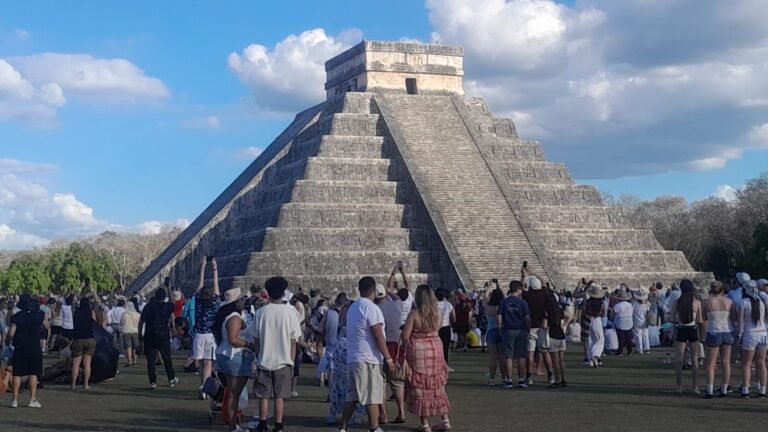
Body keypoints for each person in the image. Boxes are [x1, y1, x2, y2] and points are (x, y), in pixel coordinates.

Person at [338, 277, 394, 432]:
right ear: (374, 290)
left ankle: (343, 427)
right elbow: (377, 334)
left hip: (354, 357)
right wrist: (388, 358)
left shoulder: (354, 307)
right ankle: (374, 427)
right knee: (372, 395)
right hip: (368, 357)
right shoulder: (371, 308)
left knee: (352, 396)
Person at [248, 277, 302, 432]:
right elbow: (293, 341)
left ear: (268, 292)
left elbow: (256, 340)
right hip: (283, 360)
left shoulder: (261, 312)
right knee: (280, 396)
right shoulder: (290, 313)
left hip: (264, 359)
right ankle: (278, 425)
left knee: (263, 395)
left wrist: (258, 356)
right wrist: (291, 361)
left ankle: (263, 424)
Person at [401, 285, 451, 432]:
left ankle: (425, 424)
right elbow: (438, 329)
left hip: (418, 350)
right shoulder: (438, 313)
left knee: (420, 386)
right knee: (438, 385)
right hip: (436, 347)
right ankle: (445, 420)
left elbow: (405, 336)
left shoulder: (414, 314)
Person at [213, 288, 253, 432]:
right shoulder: (235, 317)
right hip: (234, 355)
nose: (244, 302)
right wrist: (250, 345)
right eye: (242, 299)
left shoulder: (225, 316)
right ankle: (232, 426)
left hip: (224, 354)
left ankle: (233, 425)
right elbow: (233, 340)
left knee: (231, 393)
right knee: (234, 394)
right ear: (236, 302)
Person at [6, 295, 48, 408]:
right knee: (33, 373)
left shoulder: (16, 317)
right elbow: (47, 326)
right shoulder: (39, 315)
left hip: (20, 347)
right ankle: (32, 399)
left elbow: (11, 333)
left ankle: (14, 400)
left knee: (17, 374)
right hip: (34, 347)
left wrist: (7, 342)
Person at [192, 257, 221, 397]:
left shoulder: (198, 300)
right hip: (210, 335)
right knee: (209, 363)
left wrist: (203, 266)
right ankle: (205, 388)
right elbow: (216, 283)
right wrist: (214, 267)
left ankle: (202, 385)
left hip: (198, 334)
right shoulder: (215, 301)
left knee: (201, 363)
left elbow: (200, 283)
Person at [378, 283, 407, 424]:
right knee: (397, 382)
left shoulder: (376, 309)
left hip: (382, 347)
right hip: (397, 346)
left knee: (381, 382)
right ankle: (401, 412)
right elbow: (397, 298)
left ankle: (383, 415)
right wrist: (389, 291)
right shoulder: (397, 305)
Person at [138, 287, 178, 390]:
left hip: (150, 336)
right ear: (164, 297)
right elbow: (173, 302)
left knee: (151, 361)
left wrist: (140, 334)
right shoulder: (167, 306)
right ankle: (171, 379)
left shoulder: (148, 307)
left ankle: (153, 382)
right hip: (163, 336)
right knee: (167, 359)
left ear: (155, 297)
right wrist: (169, 287)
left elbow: (141, 322)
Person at [703, 281, 736, 398]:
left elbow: (703, 317)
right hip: (727, 331)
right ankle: (724, 389)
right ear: (722, 290)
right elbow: (733, 317)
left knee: (711, 363)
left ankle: (710, 389)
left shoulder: (707, 301)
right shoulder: (729, 302)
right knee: (726, 362)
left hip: (714, 331)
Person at [671, 279, 703, 395]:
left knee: (679, 360)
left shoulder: (677, 302)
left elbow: (671, 318)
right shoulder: (697, 302)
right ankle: (695, 387)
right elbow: (699, 320)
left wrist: (679, 320)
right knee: (694, 360)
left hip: (681, 329)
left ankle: (679, 387)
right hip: (692, 329)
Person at [737, 281, 767, 398]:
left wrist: (739, 335)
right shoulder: (761, 302)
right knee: (761, 363)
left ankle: (745, 390)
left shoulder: (743, 303)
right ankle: (762, 390)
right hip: (763, 334)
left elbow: (741, 322)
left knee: (746, 364)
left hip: (750, 335)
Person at [498, 280, 531, 389]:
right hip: (521, 330)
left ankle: (509, 380)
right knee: (521, 356)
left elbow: (499, 317)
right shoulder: (523, 303)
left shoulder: (504, 302)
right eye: (521, 289)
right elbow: (527, 317)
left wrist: (500, 328)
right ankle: (521, 379)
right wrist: (528, 328)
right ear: (517, 289)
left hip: (508, 329)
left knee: (509, 356)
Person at [522, 275, 553, 384]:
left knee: (530, 353)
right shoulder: (544, 294)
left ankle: (529, 376)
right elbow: (545, 283)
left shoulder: (527, 295)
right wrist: (535, 273)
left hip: (531, 326)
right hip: (542, 326)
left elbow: (520, 288)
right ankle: (550, 375)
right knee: (545, 352)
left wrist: (523, 275)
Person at [71, 295, 97, 390]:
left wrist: (79, 290)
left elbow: (73, 302)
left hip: (78, 338)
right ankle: (85, 384)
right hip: (89, 338)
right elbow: (98, 303)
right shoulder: (91, 312)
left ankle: (73, 384)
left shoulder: (76, 312)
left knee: (76, 363)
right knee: (87, 363)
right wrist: (93, 291)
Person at [483, 288, 504, 386]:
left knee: (492, 357)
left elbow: (485, 297)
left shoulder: (488, 306)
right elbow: (506, 297)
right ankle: (504, 378)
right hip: (501, 331)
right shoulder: (502, 306)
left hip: (491, 331)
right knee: (502, 357)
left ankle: (492, 379)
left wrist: (489, 287)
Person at [581, 285, 606, 367]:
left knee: (590, 340)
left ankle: (590, 359)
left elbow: (584, 310)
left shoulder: (588, 302)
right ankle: (595, 355)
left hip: (588, 320)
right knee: (600, 339)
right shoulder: (601, 303)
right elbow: (603, 314)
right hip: (597, 319)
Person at [547, 290, 567, 388]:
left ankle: (558, 379)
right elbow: (570, 316)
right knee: (561, 360)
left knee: (555, 360)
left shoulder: (547, 311)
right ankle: (563, 379)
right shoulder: (559, 310)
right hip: (561, 335)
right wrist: (564, 324)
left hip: (552, 335)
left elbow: (544, 324)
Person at [435, 289, 455, 370]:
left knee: (435, 347)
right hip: (446, 327)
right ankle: (445, 365)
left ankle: (436, 365)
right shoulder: (448, 305)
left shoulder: (433, 305)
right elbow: (454, 317)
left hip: (435, 328)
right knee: (445, 348)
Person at [613, 290, 634, 355]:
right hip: (629, 321)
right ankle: (629, 351)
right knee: (629, 338)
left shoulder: (617, 305)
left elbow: (614, 313)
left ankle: (620, 351)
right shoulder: (630, 305)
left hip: (620, 322)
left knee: (621, 338)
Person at [121, 301, 141, 367]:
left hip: (126, 331)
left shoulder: (124, 314)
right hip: (135, 331)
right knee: (135, 346)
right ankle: (135, 361)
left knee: (128, 347)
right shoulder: (137, 314)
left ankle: (129, 361)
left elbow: (121, 323)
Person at [632, 289, 651, 355]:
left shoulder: (634, 304)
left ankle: (639, 349)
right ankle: (647, 348)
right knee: (645, 335)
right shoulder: (647, 303)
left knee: (638, 336)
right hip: (645, 321)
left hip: (637, 321)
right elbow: (648, 312)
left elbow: (632, 312)